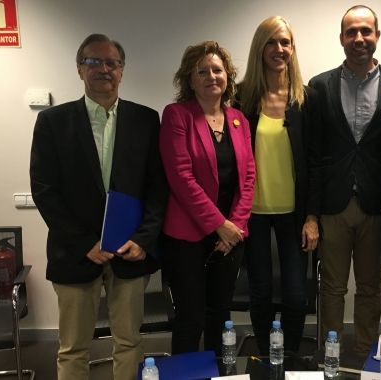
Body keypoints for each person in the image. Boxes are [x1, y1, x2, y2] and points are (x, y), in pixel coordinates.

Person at [30, 33, 168, 380]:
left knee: (129, 342)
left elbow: (157, 188)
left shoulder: (146, 119)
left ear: (122, 71)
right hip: (77, 252)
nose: (104, 69)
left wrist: (144, 239)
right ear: (80, 69)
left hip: (129, 252)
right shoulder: (53, 122)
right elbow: (45, 191)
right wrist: (83, 243)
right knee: (74, 347)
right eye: (94, 61)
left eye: (112, 63)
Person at [307, 5, 381, 359]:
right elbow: (313, 154)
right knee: (332, 288)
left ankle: (368, 356)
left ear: (377, 36)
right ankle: (330, 357)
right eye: (351, 32)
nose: (359, 39)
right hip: (333, 205)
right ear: (341, 38)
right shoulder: (319, 85)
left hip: (376, 204)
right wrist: (311, 212)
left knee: (370, 287)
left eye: (366, 31)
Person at [159, 41, 255, 354]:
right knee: (190, 317)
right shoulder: (177, 115)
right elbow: (181, 178)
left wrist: (235, 226)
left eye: (217, 69)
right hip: (187, 237)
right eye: (202, 71)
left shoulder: (239, 120)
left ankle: (218, 374)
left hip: (230, 238)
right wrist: (219, 225)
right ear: (189, 79)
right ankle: (184, 375)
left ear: (228, 76)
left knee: (220, 315)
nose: (211, 76)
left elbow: (249, 177)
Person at [237, 16, 321, 355]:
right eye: (272, 42)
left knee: (296, 294)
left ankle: (288, 358)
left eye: (285, 42)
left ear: (293, 49)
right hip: (252, 213)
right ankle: (264, 357)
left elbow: (316, 163)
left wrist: (312, 217)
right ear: (260, 48)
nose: (279, 49)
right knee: (258, 291)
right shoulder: (241, 97)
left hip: (294, 213)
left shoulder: (306, 99)